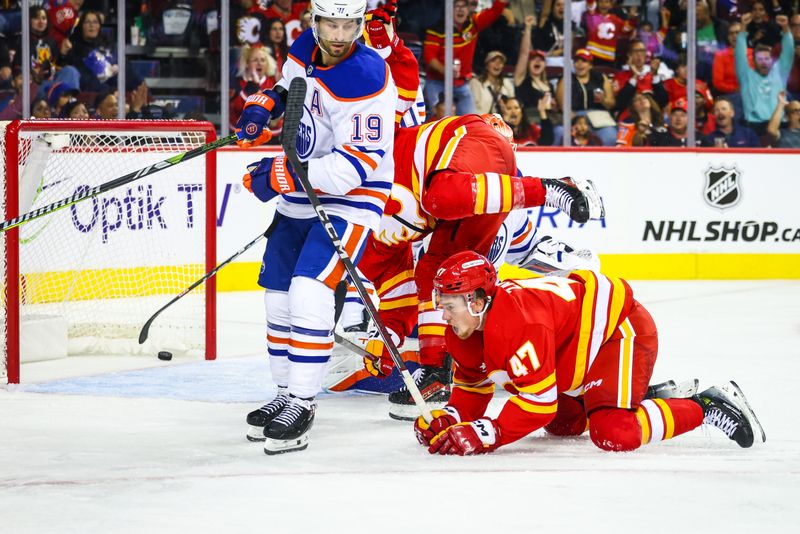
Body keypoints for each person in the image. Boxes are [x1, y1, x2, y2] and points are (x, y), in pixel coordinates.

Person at [355, 113, 604, 420]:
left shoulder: (487, 191)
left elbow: (530, 249)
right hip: (449, 300)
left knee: (448, 227)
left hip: (471, 296)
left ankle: (555, 190)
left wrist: (582, 274)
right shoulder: (368, 236)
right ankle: (437, 370)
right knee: (440, 276)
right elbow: (401, 289)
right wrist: (388, 334)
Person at [236, 0, 397, 455]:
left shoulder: (367, 78)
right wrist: (263, 102)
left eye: (349, 24)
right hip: (303, 187)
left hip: (351, 197)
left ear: (361, 24)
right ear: (315, 21)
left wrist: (278, 175)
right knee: (278, 294)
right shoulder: (306, 46)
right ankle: (285, 394)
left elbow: (356, 167)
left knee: (310, 290)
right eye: (331, 23)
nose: (340, 34)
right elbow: (291, 87)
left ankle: (304, 403)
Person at [412, 251, 766, 455]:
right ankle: (639, 396)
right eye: (440, 303)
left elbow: (538, 402)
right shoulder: (464, 329)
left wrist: (488, 433)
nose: (443, 315)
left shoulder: (518, 323)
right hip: (573, 352)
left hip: (618, 331)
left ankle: (706, 406)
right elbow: (473, 386)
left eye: (450, 305)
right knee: (564, 424)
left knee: (614, 432)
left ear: (476, 301)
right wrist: (451, 416)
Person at [422, 0, 508, 115]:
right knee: (439, 120)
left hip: (461, 83)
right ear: (449, 9)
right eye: (457, 6)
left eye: (464, 6)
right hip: (437, 82)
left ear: (468, 9)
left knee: (471, 121)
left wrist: (501, 2)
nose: (460, 9)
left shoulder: (473, 24)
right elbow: (429, 57)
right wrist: (445, 71)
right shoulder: (436, 30)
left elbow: (495, 11)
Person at [736, 12, 794, 136]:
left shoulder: (779, 72)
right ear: (754, 61)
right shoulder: (746, 76)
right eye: (760, 59)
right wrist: (743, 28)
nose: (764, 62)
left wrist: (785, 28)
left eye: (767, 59)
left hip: (780, 126)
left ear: (772, 60)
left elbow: (788, 52)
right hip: (754, 128)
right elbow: (739, 55)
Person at [556, 48, 617, 146]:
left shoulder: (600, 78)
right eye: (577, 61)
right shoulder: (567, 78)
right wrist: (577, 120)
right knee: (562, 132)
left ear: (590, 65)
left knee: (610, 135)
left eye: (584, 61)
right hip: (575, 115)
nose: (579, 64)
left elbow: (611, 103)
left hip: (597, 117)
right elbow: (562, 105)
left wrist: (603, 100)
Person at [469, 49, 514, 115]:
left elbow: (513, 104)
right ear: (487, 65)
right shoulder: (476, 83)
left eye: (500, 62)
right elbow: (471, 108)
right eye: (493, 61)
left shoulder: (507, 83)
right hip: (482, 122)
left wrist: (506, 108)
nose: (497, 64)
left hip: (503, 122)